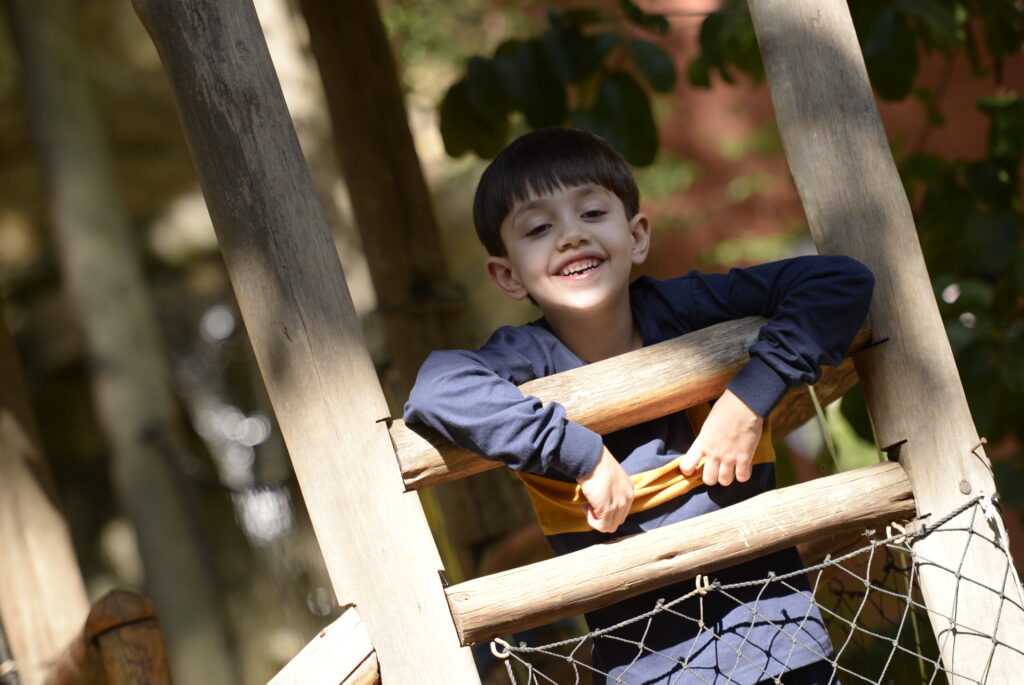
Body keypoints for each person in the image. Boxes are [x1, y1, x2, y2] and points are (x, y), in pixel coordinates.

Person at [405, 127, 873, 684]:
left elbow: (839, 281)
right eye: (538, 228)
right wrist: (583, 456)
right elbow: (436, 389)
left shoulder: (682, 310)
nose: (570, 236)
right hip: (648, 669)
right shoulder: (526, 357)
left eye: (592, 214)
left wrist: (745, 404)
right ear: (507, 275)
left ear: (638, 236)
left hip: (782, 643)